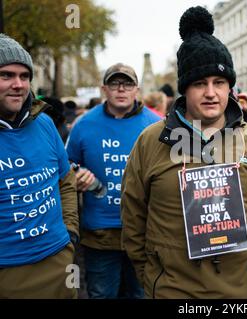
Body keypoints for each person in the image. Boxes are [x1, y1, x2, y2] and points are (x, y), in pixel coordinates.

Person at [121, 6, 247, 299]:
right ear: (184, 90)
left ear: (230, 88)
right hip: (171, 293)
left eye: (219, 82)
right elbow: (133, 218)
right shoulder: (150, 142)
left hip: (240, 295)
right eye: (200, 83)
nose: (211, 93)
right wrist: (153, 278)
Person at [66, 63, 161, 299]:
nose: (121, 89)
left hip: (145, 229)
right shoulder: (84, 125)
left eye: (127, 83)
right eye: (114, 83)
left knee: (141, 293)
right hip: (100, 233)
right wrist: (76, 176)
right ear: (104, 89)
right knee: (101, 294)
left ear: (136, 89)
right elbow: (66, 167)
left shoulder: (155, 124)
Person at [0, 34, 78, 298]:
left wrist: (69, 234)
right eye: (6, 75)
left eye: (24, 76)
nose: (18, 85)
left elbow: (65, 180)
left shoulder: (44, 123)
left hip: (59, 264)